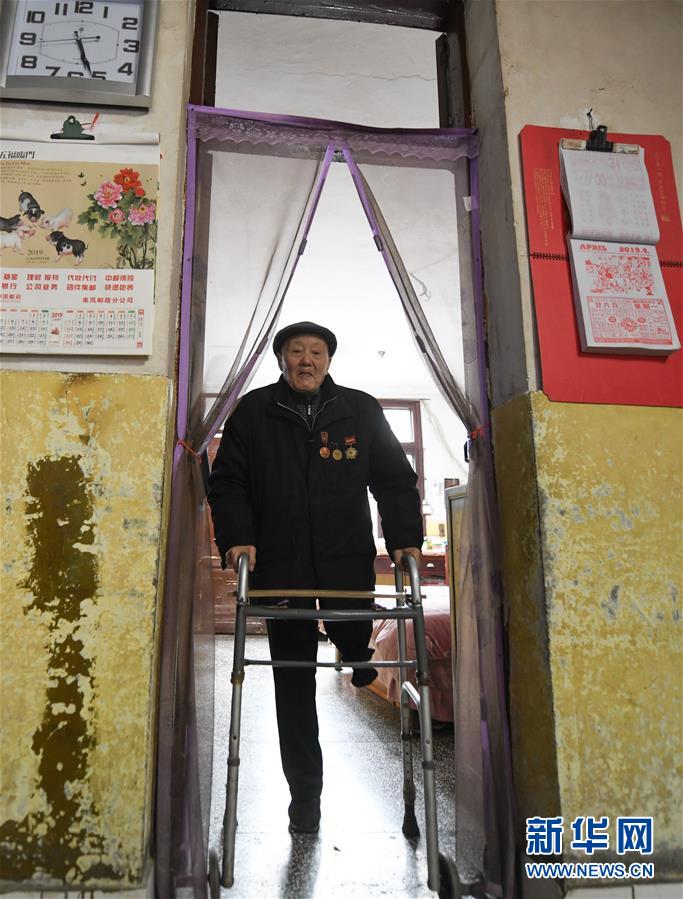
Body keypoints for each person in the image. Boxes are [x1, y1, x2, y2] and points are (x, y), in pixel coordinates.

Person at [208, 321, 423, 834]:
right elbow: (229, 482)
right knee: (293, 680)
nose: (307, 360)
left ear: (328, 360)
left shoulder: (360, 409)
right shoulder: (254, 411)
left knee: (353, 623)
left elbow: (395, 480)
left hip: (344, 558)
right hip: (280, 566)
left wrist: (404, 539)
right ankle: (305, 795)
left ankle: (356, 655)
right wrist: (237, 538)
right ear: (281, 358)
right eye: (297, 351)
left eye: (317, 352)